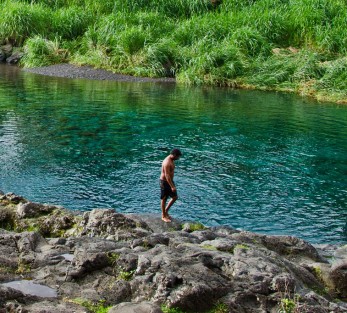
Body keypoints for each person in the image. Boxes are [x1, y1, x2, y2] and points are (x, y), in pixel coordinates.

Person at [160, 148, 182, 223]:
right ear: (174, 155)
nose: (178, 158)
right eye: (178, 157)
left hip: (169, 181)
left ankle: (166, 211)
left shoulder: (171, 160)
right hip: (165, 182)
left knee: (175, 197)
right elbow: (167, 175)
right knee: (164, 198)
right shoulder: (167, 162)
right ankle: (163, 216)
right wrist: (172, 186)